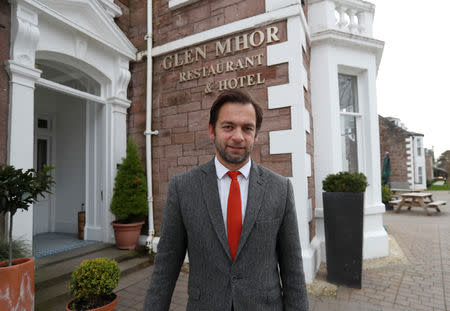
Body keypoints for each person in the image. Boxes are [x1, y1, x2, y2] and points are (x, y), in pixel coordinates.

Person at [144, 90, 309, 311]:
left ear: (256, 135)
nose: (238, 137)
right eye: (228, 127)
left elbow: (293, 270)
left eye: (247, 128)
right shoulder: (182, 188)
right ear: (212, 130)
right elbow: (165, 268)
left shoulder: (280, 189)